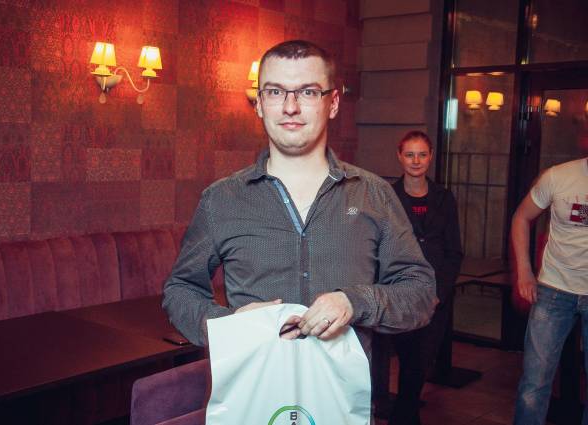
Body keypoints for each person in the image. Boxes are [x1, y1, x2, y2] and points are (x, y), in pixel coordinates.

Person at [162, 39, 436, 368]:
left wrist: (355, 302)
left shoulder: (373, 194)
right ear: (259, 103)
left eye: (307, 92)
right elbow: (180, 290)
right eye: (275, 92)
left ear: (333, 103)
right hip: (254, 391)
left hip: (343, 394)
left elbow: (421, 293)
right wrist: (229, 325)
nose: (290, 107)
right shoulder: (221, 199)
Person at [387, 131, 463, 425]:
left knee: (421, 362)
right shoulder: (388, 196)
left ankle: (403, 417)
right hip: (400, 292)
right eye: (410, 154)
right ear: (399, 156)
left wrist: (438, 294)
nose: (416, 161)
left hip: (435, 296)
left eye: (421, 154)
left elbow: (454, 252)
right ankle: (406, 417)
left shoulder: (444, 198)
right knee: (408, 359)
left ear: (430, 157)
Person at [512, 157, 588, 425]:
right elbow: (521, 217)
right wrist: (524, 270)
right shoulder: (558, 176)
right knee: (534, 384)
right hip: (554, 290)